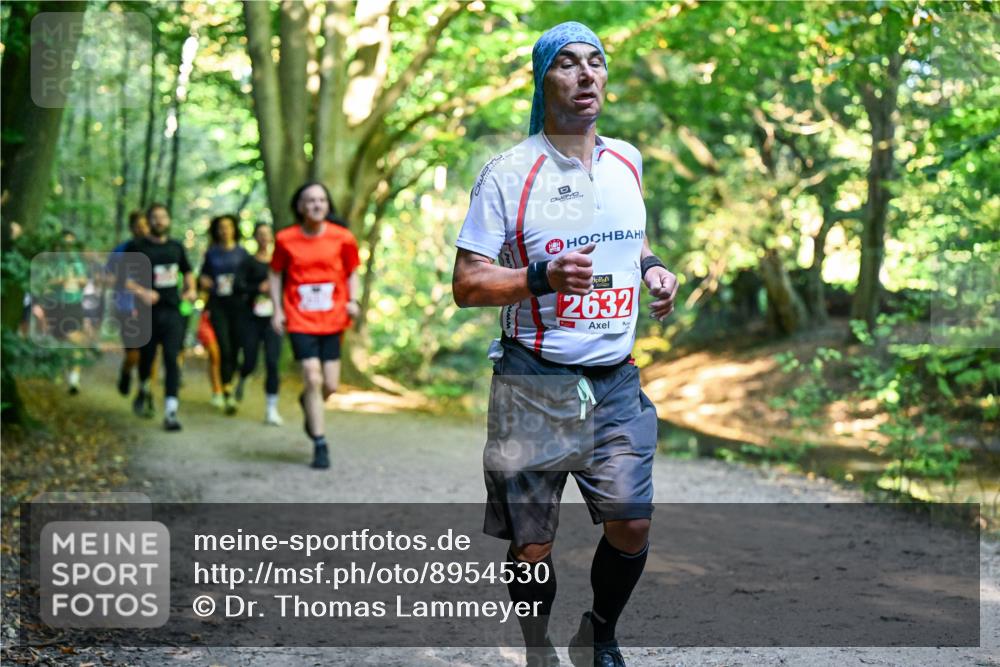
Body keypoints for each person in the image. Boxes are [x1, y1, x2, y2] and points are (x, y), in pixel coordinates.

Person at [451, 22, 679, 667]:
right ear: (543, 78)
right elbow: (467, 284)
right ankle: (535, 647)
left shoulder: (627, 159)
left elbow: (628, 239)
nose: (586, 75)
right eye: (568, 64)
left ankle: (599, 633)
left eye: (596, 63)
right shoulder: (508, 173)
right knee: (531, 547)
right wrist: (538, 278)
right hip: (533, 382)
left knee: (631, 523)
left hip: (614, 379)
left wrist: (654, 267)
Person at [269, 182, 360, 469]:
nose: (317, 205)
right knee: (312, 374)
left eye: (322, 200)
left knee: (329, 385)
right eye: (310, 201)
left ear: (328, 205)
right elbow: (274, 274)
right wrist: (277, 310)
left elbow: (352, 271)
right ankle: (320, 443)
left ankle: (310, 401)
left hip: (333, 318)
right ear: (300, 207)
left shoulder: (343, 238)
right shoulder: (285, 239)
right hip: (299, 317)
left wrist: (354, 300)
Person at [124, 203, 197, 431]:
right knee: (147, 357)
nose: (159, 221)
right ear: (149, 221)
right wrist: (143, 292)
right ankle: (144, 388)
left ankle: (171, 412)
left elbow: (187, 271)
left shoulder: (176, 247)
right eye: (154, 218)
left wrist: (191, 289)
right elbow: (122, 279)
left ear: (168, 220)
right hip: (146, 312)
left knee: (172, 358)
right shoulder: (136, 247)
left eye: (163, 217)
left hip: (173, 310)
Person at [198, 214, 248, 415]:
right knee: (223, 347)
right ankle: (224, 389)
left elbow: (251, 277)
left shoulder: (243, 254)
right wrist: (204, 282)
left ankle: (227, 385)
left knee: (236, 347)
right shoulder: (212, 254)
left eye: (228, 227)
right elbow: (202, 275)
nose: (224, 230)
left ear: (234, 229)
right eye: (221, 227)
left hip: (238, 306)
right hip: (217, 305)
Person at [235, 222, 283, 425]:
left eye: (267, 234)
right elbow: (238, 287)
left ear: (272, 237)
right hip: (251, 319)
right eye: (260, 234)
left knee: (273, 362)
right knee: (250, 360)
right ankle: (243, 377)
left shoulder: (280, 263)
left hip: (274, 319)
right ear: (255, 237)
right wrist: (258, 288)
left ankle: (271, 409)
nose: (264, 238)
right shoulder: (247, 262)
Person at [110, 211, 150, 396]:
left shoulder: (157, 248)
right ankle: (126, 372)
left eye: (145, 225)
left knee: (149, 352)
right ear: (131, 228)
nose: (142, 229)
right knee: (134, 353)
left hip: (151, 308)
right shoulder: (121, 250)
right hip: (126, 307)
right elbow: (108, 276)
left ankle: (145, 389)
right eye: (138, 225)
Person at [195, 306, 224, 407]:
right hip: (204, 317)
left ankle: (222, 388)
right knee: (214, 355)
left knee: (221, 355)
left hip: (223, 316)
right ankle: (217, 390)